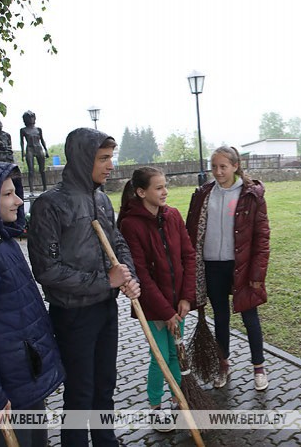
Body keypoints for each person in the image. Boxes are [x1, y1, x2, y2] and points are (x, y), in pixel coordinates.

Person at [27, 128, 141, 447]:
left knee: (105, 384)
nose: (110, 166)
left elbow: (117, 242)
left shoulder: (102, 199)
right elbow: (46, 269)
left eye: (111, 158)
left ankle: (106, 441)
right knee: (80, 392)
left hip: (105, 308)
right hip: (73, 315)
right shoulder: (50, 205)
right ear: (81, 159)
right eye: (103, 159)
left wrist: (129, 276)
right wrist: (105, 280)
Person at [0, 161, 64, 447]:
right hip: (2, 395)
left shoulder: (3, 241)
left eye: (16, 192)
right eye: (6, 194)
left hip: (23, 383)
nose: (18, 200)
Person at [117, 167, 196, 430]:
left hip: (178, 304)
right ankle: (155, 406)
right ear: (141, 192)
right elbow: (141, 274)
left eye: (165, 186)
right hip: (152, 307)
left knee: (176, 352)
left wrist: (186, 298)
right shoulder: (130, 224)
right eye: (158, 187)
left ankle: (177, 397)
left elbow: (188, 256)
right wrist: (166, 312)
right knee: (159, 355)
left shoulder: (172, 215)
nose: (165, 192)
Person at [186, 146, 270, 391]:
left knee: (249, 317)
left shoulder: (250, 195)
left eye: (223, 166)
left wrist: (257, 275)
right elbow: (191, 230)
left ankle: (259, 367)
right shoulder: (204, 194)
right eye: (214, 166)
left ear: (235, 166)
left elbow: (261, 237)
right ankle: (224, 365)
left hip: (241, 266)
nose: (218, 171)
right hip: (212, 266)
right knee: (220, 318)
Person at [19, 111, 49, 194]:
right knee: (31, 170)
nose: (31, 119)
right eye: (29, 118)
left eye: (32, 117)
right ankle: (31, 190)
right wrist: (22, 153)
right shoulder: (23, 130)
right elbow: (22, 142)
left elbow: (42, 140)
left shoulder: (38, 129)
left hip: (39, 148)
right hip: (30, 149)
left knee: (42, 170)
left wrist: (46, 150)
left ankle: (45, 188)